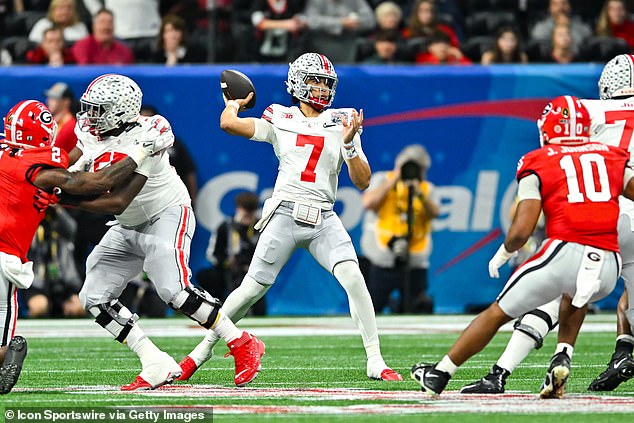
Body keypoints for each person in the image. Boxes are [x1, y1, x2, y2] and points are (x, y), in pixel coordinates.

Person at [178, 52, 402, 382]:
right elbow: (229, 124)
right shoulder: (278, 116)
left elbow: (363, 180)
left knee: (354, 279)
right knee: (250, 289)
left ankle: (375, 360)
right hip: (284, 214)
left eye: (327, 83)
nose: (323, 89)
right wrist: (232, 103)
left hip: (324, 217)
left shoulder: (343, 120)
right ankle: (201, 352)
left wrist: (351, 145)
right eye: (315, 81)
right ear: (297, 83)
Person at [411, 95, 634, 398]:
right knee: (577, 290)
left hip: (565, 249)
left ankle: (440, 372)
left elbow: (521, 230)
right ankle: (562, 354)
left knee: (497, 311)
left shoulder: (537, 160)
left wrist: (504, 252)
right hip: (609, 263)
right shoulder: (612, 155)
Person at [70, 74, 264, 391]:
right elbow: (72, 164)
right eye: (90, 108)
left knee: (174, 291)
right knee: (93, 296)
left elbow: (114, 197)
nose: (90, 116)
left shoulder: (152, 133)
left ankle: (241, 342)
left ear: (120, 111)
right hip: (128, 221)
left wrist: (58, 194)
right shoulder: (90, 132)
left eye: (99, 109)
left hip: (166, 212)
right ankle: (154, 360)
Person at [0, 98, 164, 394]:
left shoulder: (12, 155)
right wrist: (142, 152)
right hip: (4, 255)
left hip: (6, 250)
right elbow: (98, 183)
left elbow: (65, 166)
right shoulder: (37, 170)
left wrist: (87, 146)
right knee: (1, 353)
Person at [361, 144, 439, 314]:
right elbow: (368, 203)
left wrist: (418, 193)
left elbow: (435, 213)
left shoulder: (426, 188)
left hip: (416, 261)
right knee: (372, 309)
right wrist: (394, 179)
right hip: (382, 259)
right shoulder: (382, 179)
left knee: (415, 311)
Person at [198, 191, 265, 316]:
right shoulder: (226, 227)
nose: (248, 219)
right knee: (207, 276)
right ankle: (216, 306)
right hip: (227, 271)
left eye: (251, 215)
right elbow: (212, 254)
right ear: (238, 209)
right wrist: (227, 263)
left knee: (260, 311)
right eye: (245, 214)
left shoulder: (261, 228)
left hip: (252, 272)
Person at [44, 82, 77, 154]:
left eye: (54, 98)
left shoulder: (71, 126)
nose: (48, 101)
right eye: (49, 98)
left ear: (66, 101)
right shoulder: (52, 123)